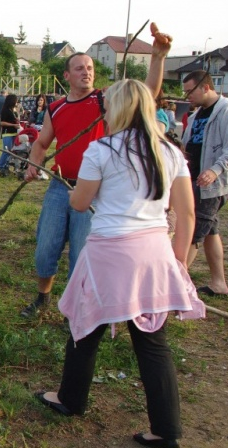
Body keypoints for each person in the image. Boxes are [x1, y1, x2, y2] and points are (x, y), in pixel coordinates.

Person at [34, 78, 205, 448]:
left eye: (108, 105)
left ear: (121, 108)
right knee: (152, 342)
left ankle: (71, 398)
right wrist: (178, 261)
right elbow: (187, 213)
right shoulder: (170, 151)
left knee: (84, 325)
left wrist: (84, 189)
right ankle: (167, 429)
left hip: (110, 253)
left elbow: (79, 203)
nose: (104, 111)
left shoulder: (102, 150)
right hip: (155, 253)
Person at [20, 23, 172, 318]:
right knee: (45, 248)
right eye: (78, 68)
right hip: (59, 186)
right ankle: (42, 298)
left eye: (89, 67)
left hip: (93, 192)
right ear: (66, 75)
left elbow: (146, 94)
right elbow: (41, 143)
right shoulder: (57, 107)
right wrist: (32, 164)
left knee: (82, 254)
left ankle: (78, 308)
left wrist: (158, 58)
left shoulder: (105, 100)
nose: (86, 72)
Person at [180, 70, 228, 296]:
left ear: (205, 87)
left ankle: (177, 282)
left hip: (212, 184)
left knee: (194, 231)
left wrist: (215, 171)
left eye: (190, 91)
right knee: (210, 230)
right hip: (194, 179)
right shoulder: (197, 115)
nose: (187, 97)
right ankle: (219, 283)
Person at [0, 93, 22, 177]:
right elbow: (2, 122)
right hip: (7, 133)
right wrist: (13, 125)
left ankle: (7, 165)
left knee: (12, 151)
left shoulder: (12, 110)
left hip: (14, 133)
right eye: (16, 101)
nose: (17, 102)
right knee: (6, 151)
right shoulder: (5, 110)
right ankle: (1, 165)